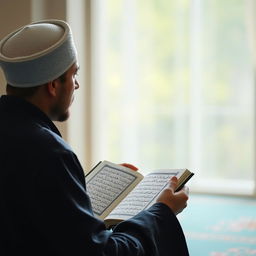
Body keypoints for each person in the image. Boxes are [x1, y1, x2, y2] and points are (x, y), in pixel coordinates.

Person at [0, 19, 190, 256]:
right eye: (73, 75)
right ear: (53, 85)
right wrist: (161, 212)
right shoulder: (50, 153)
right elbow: (99, 253)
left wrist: (78, 187)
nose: (76, 85)